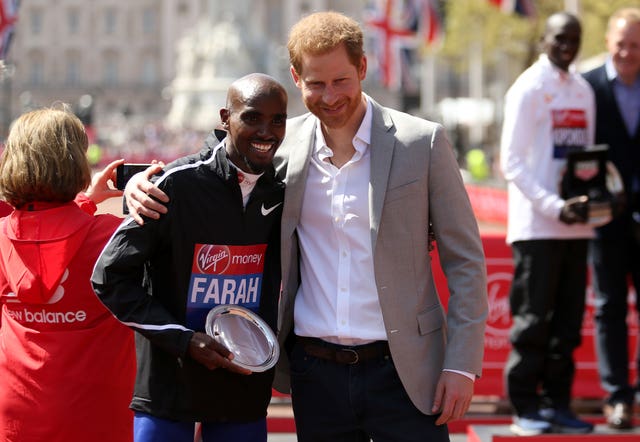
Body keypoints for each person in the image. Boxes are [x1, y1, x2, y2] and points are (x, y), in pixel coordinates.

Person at [125, 11, 488, 442]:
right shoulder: (280, 145)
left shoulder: (421, 141)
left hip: (406, 369)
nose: (330, 96)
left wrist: (461, 364)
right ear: (296, 79)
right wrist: (137, 181)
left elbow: (466, 260)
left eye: (341, 81)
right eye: (316, 83)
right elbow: (211, 165)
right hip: (317, 374)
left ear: (363, 70)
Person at [91, 73, 288, 442]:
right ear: (225, 118)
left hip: (242, 386)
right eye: (252, 117)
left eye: (278, 120)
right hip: (170, 384)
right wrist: (183, 339)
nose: (267, 131)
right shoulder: (172, 185)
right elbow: (109, 277)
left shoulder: (282, 193)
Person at [0, 106, 136, 441]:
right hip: (100, 416)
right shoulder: (115, 237)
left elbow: (45, 238)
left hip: (18, 416)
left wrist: (85, 204)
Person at [499, 12, 596, 436]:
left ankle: (558, 405)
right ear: (544, 39)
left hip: (578, 227)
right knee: (532, 322)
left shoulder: (583, 89)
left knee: (568, 327)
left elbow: (585, 159)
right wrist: (555, 206)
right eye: (559, 37)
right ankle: (524, 408)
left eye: (574, 38)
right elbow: (511, 162)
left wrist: (590, 200)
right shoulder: (527, 88)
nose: (567, 45)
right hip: (537, 229)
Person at [582, 7, 640, 430]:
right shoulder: (586, 86)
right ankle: (618, 398)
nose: (627, 52)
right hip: (605, 220)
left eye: (636, 45)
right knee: (610, 308)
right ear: (608, 42)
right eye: (621, 43)